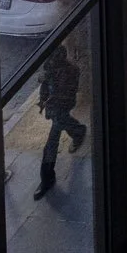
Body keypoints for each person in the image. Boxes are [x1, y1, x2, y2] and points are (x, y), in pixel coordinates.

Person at [34, 43, 87, 200]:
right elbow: (45, 84)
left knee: (51, 144)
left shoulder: (70, 71)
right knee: (64, 123)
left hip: (60, 108)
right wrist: (43, 99)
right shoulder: (50, 68)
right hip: (54, 108)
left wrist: (49, 86)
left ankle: (47, 177)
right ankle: (78, 131)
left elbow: (65, 94)